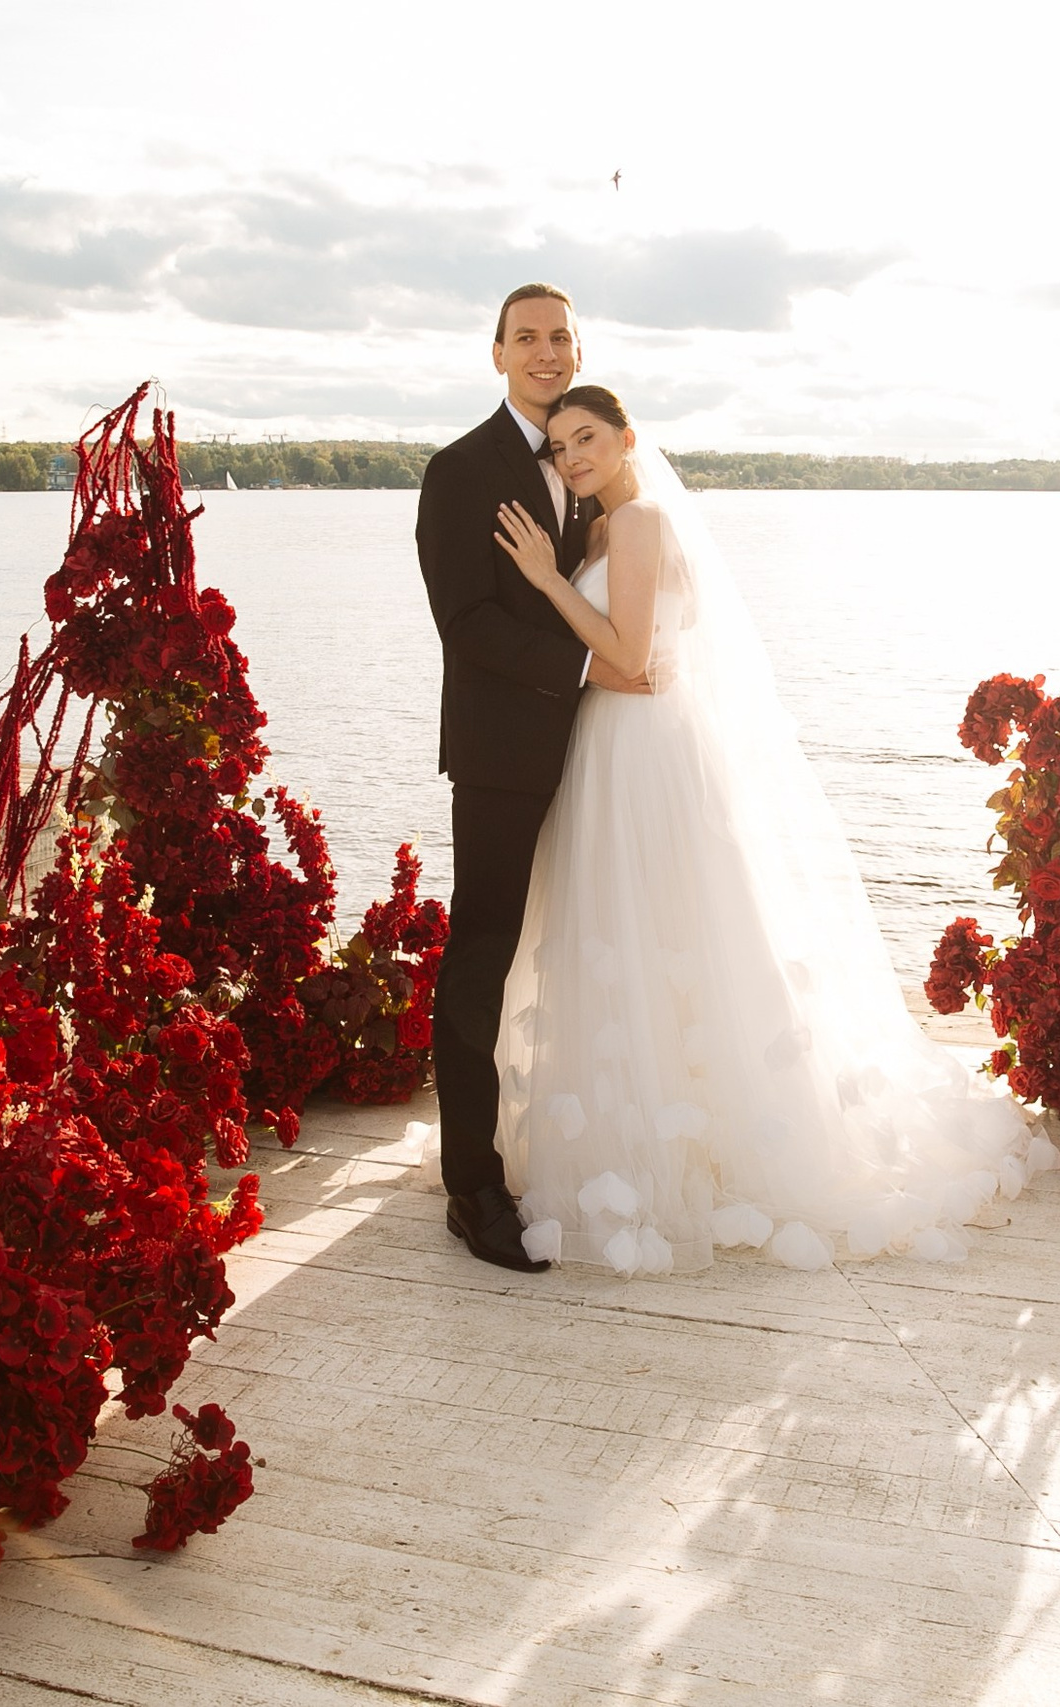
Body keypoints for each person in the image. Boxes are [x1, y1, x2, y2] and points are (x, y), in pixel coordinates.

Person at [486, 384, 1056, 1275]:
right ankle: (647, 1119)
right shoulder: (605, 528)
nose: (573, 458)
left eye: (587, 438)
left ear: (628, 437)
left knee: (659, 924)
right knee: (645, 929)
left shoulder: (634, 525)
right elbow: (645, 648)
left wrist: (548, 582)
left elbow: (632, 658)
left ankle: (690, 1142)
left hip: (641, 752)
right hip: (618, 739)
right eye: (559, 448)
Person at [415, 283, 653, 1272]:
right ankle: (472, 1183)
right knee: (484, 952)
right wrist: (586, 668)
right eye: (528, 339)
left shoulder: (590, 464)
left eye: (561, 337)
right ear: (498, 354)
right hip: (506, 753)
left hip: (608, 755)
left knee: (599, 943)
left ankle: (593, 1138)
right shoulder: (460, 470)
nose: (546, 353)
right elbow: (464, 623)